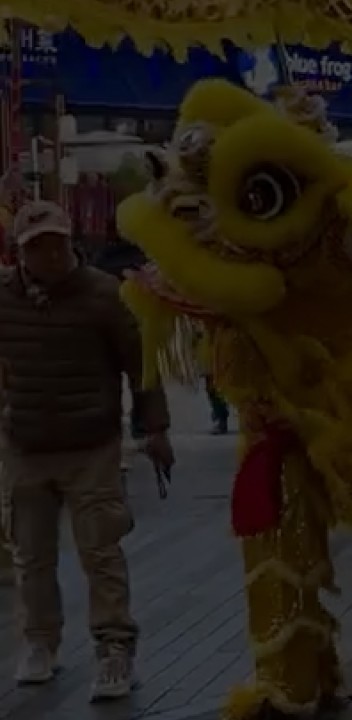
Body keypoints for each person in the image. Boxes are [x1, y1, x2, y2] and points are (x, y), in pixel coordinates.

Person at [0, 200, 173, 698]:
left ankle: (115, 649)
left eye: (56, 243)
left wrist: (156, 430)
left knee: (101, 552)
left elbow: (141, 364)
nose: (50, 255)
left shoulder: (104, 294)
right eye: (38, 247)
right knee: (30, 555)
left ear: (70, 239)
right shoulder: (4, 298)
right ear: (21, 252)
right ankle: (39, 641)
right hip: (25, 446)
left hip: (91, 446)